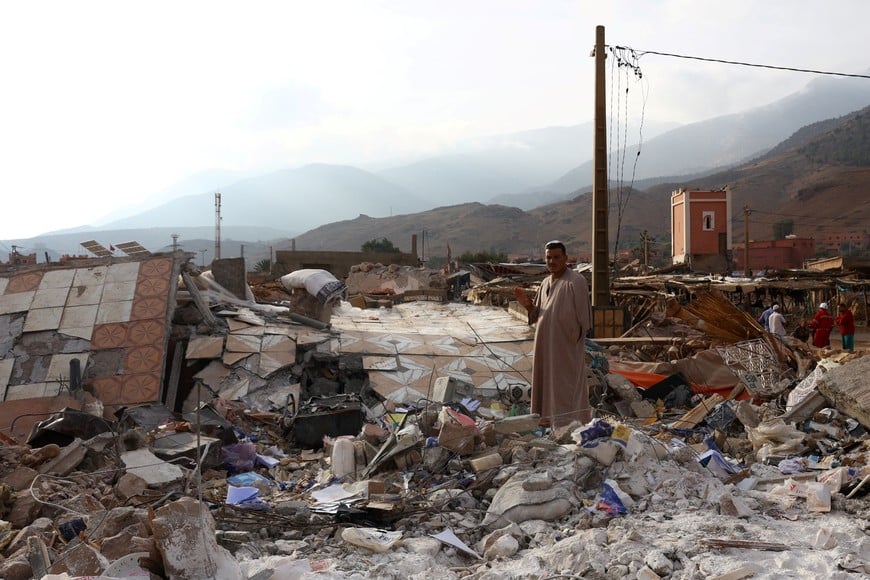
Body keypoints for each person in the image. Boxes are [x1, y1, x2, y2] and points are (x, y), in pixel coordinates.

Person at [514, 240, 592, 427]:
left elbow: (585, 320)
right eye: (549, 257)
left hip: (566, 349)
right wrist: (527, 304)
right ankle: (548, 422)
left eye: (557, 257)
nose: (552, 261)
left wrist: (570, 338)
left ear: (565, 258)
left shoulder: (576, 282)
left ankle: (570, 425)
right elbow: (538, 314)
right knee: (546, 385)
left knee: (566, 387)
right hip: (545, 348)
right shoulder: (545, 283)